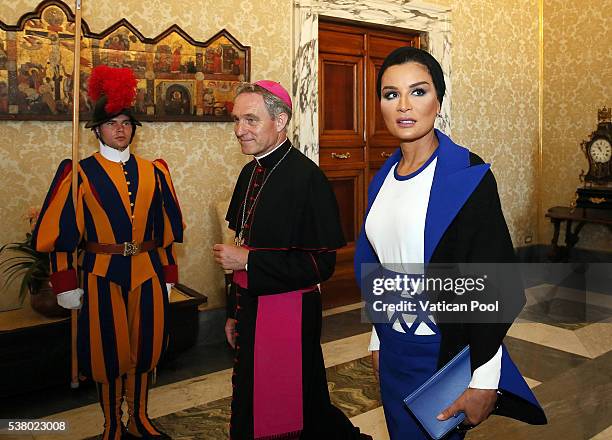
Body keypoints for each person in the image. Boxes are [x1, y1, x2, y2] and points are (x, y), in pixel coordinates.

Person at [354, 47, 547, 439]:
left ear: (438, 100)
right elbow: (381, 266)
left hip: (441, 355)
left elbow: (493, 286)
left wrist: (485, 380)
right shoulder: (383, 179)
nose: (404, 105)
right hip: (393, 353)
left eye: (418, 91)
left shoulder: (468, 176)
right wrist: (378, 338)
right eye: (391, 94)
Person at [213, 80, 372, 440]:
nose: (240, 130)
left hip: (288, 313)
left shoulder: (307, 178)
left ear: (280, 120)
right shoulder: (249, 172)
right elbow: (240, 248)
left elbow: (321, 265)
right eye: (237, 120)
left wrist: (250, 262)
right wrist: (232, 312)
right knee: (253, 400)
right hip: (250, 307)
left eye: (251, 120)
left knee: (294, 409)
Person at [33, 65, 183, 440]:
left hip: (148, 271)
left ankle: (140, 419)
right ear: (97, 129)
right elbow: (63, 236)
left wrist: (168, 276)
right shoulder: (78, 174)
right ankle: (112, 425)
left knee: (146, 349)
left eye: (127, 123)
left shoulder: (156, 172)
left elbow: (164, 234)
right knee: (107, 353)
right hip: (100, 274)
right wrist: (65, 283)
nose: (121, 129)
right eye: (112, 123)